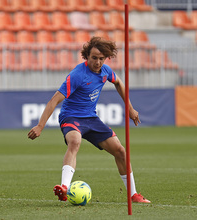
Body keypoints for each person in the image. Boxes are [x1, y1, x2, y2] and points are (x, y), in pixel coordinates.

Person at [27, 37, 150, 203]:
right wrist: (40, 126)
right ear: (86, 56)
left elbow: (119, 83)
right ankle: (64, 187)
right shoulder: (78, 75)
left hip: (91, 119)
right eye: (94, 58)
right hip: (71, 117)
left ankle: (134, 195)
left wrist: (130, 108)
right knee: (75, 141)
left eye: (101, 59)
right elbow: (54, 100)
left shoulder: (105, 71)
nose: (98, 62)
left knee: (120, 151)